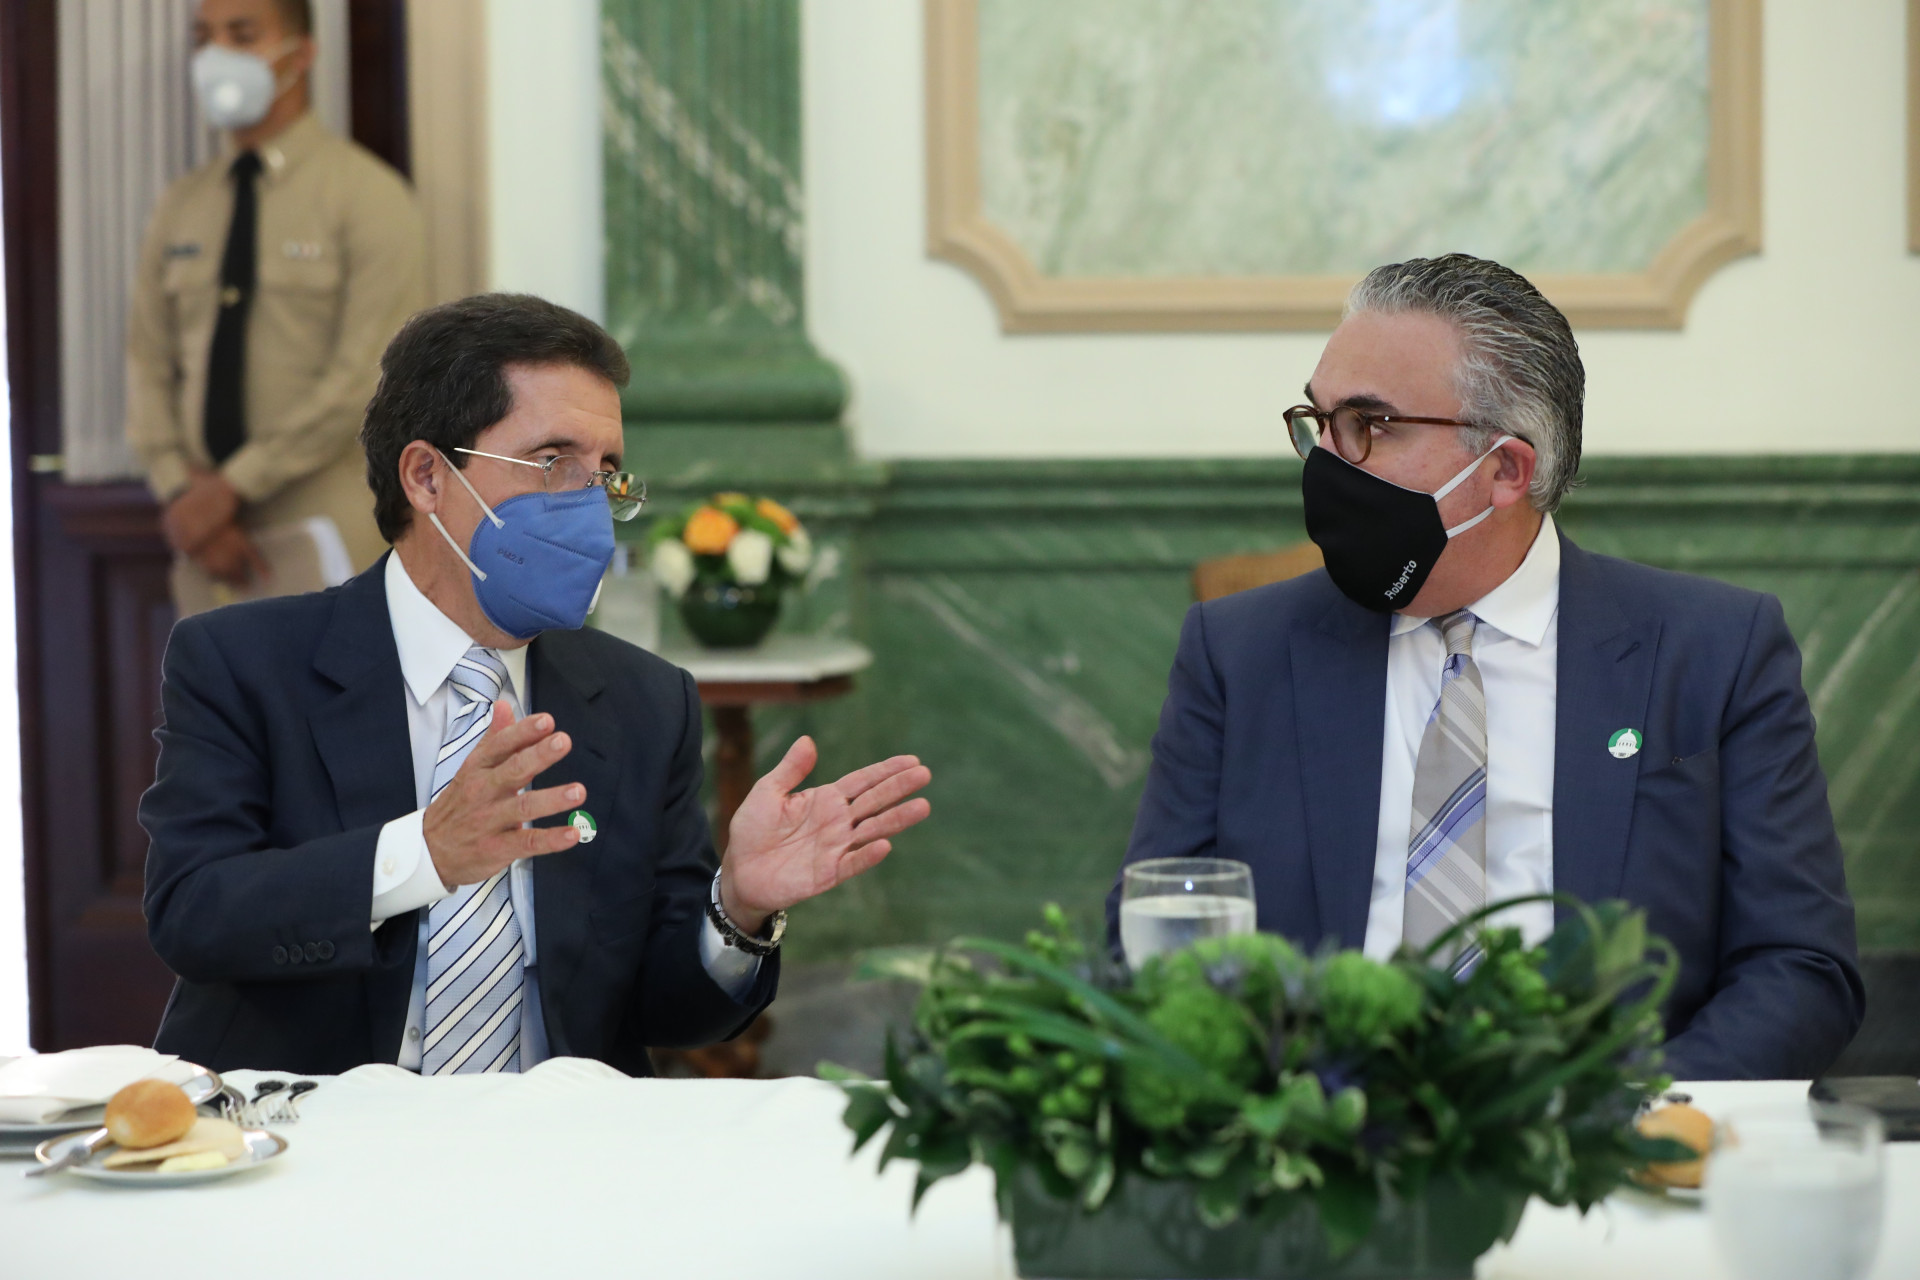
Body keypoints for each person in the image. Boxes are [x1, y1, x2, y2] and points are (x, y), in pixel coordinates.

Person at [1111, 254, 1861, 1081]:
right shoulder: (1238, 652)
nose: (1327, 460)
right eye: (1318, 422)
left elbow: (1799, 967)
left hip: (1604, 1128)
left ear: (1506, 470)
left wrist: (1628, 1120)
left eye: (1368, 424)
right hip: (1316, 1128)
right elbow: (1148, 933)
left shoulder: (1714, 651)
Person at [140, 293, 933, 1076]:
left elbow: (666, 1010)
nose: (590, 506)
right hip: (317, 1130)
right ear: (426, 477)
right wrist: (422, 853)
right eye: (554, 463)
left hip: (553, 1137)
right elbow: (194, 912)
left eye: (606, 474)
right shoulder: (242, 663)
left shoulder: (644, 702)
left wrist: (738, 908)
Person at [127, 0, 425, 606]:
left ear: (302, 53)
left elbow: (371, 376)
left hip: (327, 522)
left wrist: (231, 488)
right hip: (205, 540)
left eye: (242, 35)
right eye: (204, 38)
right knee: (214, 674)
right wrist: (184, 492)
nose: (217, 55)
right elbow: (146, 360)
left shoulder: (368, 197)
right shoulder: (181, 206)